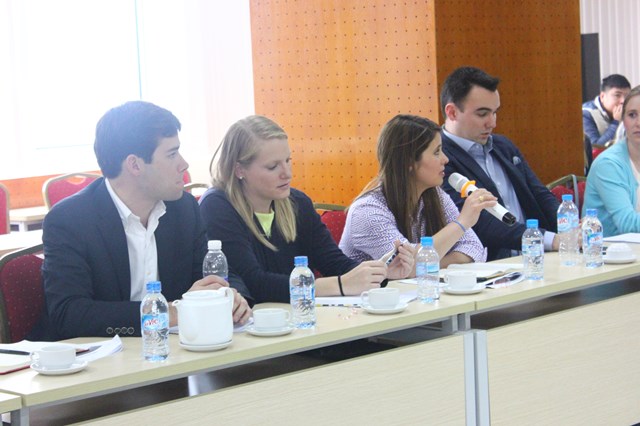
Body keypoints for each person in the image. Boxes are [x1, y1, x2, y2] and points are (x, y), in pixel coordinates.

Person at [41, 101, 251, 340]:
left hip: (176, 352)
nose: (183, 164)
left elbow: (214, 275)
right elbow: (70, 315)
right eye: (171, 154)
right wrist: (167, 313)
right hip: (103, 356)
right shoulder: (70, 220)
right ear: (135, 165)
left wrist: (231, 296)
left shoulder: (184, 209)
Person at [199, 115, 414, 304]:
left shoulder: (297, 202)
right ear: (239, 170)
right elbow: (253, 283)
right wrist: (339, 285)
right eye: (273, 166)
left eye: (288, 161)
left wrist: (381, 271)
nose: (287, 173)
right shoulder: (217, 205)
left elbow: (334, 263)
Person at [340, 114, 492, 268]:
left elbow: (474, 248)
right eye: (436, 152)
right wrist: (462, 222)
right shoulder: (366, 211)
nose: (445, 159)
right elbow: (403, 266)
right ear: (408, 162)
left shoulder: (436, 195)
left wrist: (425, 264)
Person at [439, 66, 560, 261]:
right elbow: (481, 224)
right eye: (482, 114)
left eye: (495, 113)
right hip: (493, 265)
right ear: (452, 112)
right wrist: (549, 240)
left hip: (537, 255)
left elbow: (539, 194)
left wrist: (569, 226)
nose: (492, 123)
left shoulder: (503, 146)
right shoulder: (439, 158)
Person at [583, 86, 640, 236]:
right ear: (623, 121)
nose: (638, 123)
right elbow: (627, 224)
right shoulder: (608, 164)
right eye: (632, 115)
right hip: (606, 248)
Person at [582, 74, 631, 147]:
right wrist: (616, 122)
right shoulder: (586, 114)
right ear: (602, 97)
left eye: (627, 96)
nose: (623, 101)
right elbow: (595, 148)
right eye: (617, 95)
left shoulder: (631, 111)